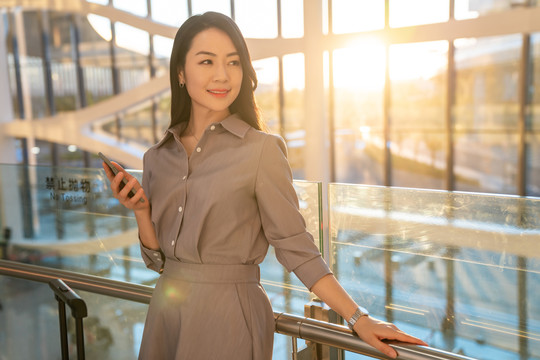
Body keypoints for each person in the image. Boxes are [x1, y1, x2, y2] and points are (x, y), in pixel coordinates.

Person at [103, 11, 427, 360]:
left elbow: (296, 247)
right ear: (180, 72)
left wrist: (357, 318)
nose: (222, 75)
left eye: (233, 62)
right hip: (167, 313)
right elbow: (160, 263)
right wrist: (141, 211)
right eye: (207, 61)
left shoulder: (261, 150)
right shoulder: (157, 157)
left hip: (230, 315)